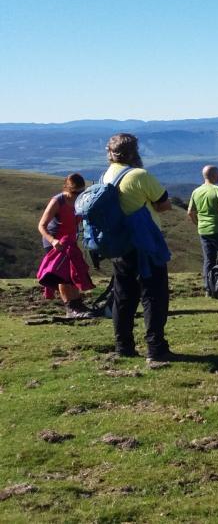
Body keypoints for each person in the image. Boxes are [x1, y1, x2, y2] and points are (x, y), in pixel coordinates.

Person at [102, 133, 174, 365]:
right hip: (145, 243)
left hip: (119, 244)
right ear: (135, 152)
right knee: (154, 295)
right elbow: (164, 205)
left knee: (123, 296)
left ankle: (123, 346)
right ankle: (156, 348)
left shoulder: (106, 176)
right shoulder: (139, 175)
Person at [36, 173, 94, 318]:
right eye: (75, 192)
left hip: (70, 242)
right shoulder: (58, 201)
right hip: (55, 243)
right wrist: (53, 241)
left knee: (73, 274)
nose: (78, 195)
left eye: (82, 192)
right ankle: (70, 307)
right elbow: (41, 225)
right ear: (67, 189)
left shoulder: (81, 201)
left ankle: (77, 305)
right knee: (63, 276)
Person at [187, 166, 218, 297]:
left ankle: (208, 288)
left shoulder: (196, 191)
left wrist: (198, 223)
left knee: (208, 259)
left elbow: (190, 212)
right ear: (215, 176)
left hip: (203, 231)